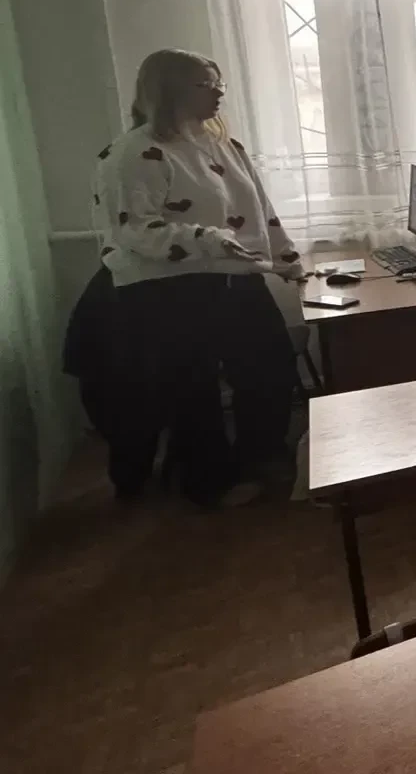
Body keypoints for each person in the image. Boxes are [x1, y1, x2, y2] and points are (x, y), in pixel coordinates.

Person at [92, 49, 302, 507]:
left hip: (236, 275)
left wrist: (286, 257)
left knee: (271, 367)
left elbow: (259, 209)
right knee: (192, 390)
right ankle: (207, 485)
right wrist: (206, 239)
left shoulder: (223, 144)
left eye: (219, 83)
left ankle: (259, 456)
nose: (219, 93)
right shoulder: (133, 153)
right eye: (205, 85)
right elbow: (133, 229)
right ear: (167, 91)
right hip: (171, 288)